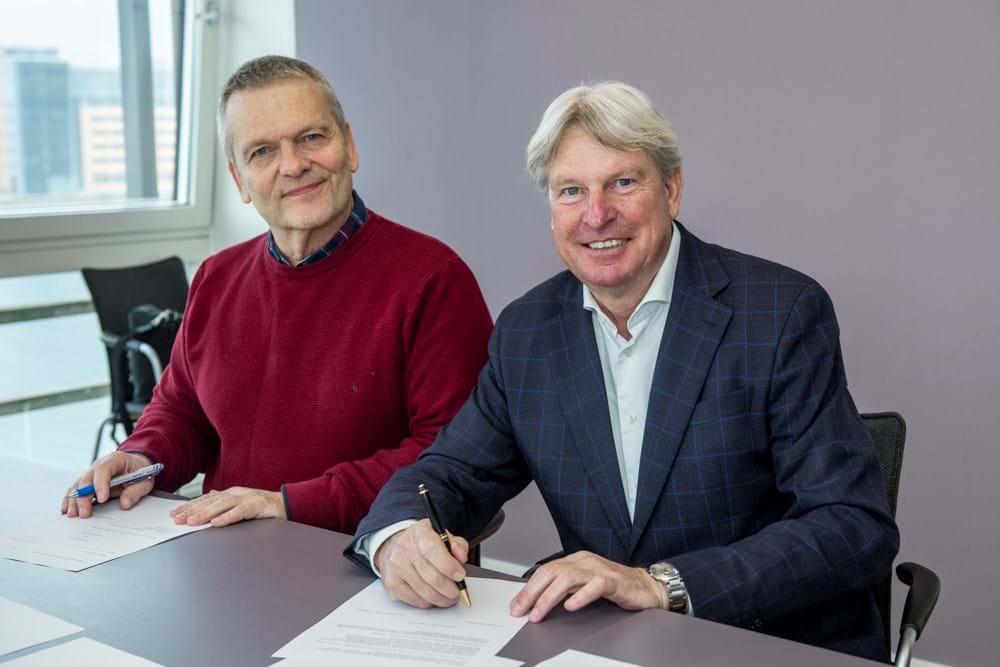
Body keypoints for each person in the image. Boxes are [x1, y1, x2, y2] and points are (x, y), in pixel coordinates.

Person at [346, 81, 899, 661]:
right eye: (571, 191)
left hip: (764, 641)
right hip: (603, 647)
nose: (596, 214)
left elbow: (852, 524)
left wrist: (662, 585)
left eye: (623, 183)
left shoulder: (780, 313)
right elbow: (452, 473)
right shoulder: (528, 332)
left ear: (672, 189)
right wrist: (396, 538)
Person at [61, 55, 492, 534]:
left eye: (312, 138)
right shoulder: (215, 278)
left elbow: (451, 456)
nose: (293, 165)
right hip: (226, 552)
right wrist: (140, 457)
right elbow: (182, 412)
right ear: (239, 180)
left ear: (349, 146)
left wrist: (287, 504)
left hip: (372, 559)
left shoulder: (433, 278)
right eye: (262, 151)